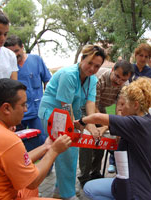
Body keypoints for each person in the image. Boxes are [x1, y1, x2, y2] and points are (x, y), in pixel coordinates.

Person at [0, 78, 71, 199]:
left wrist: (46, 147)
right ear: (6, 108)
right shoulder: (6, 138)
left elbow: (20, 163)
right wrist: (54, 151)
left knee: (28, 190)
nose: (26, 109)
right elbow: (33, 182)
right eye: (23, 105)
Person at [38, 44, 106, 200]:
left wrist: (92, 124)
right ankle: (66, 193)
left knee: (69, 150)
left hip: (68, 114)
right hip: (53, 113)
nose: (92, 68)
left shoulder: (92, 79)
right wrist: (79, 125)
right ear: (82, 59)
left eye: (97, 66)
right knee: (67, 150)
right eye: (90, 63)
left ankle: (60, 189)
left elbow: (90, 103)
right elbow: (65, 106)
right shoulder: (69, 74)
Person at [77, 77, 151, 200]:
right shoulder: (146, 120)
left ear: (135, 105)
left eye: (123, 104)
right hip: (135, 184)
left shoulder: (136, 123)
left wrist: (81, 121)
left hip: (135, 191)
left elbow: (99, 117)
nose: (119, 109)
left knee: (91, 191)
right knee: (89, 187)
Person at [78, 59, 134, 187]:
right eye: (117, 76)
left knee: (101, 140)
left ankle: (95, 173)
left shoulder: (124, 85)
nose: (118, 82)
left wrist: (117, 126)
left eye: (123, 80)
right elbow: (93, 105)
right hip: (87, 108)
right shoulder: (99, 79)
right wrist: (104, 125)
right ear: (113, 69)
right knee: (87, 140)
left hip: (101, 111)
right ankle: (84, 177)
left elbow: (119, 108)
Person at [4, 35, 51, 151]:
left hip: (37, 112)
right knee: (18, 144)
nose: (15, 55)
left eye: (16, 51)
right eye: (11, 52)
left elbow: (48, 81)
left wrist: (47, 101)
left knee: (44, 141)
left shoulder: (36, 60)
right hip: (18, 114)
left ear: (22, 47)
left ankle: (47, 167)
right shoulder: (7, 65)